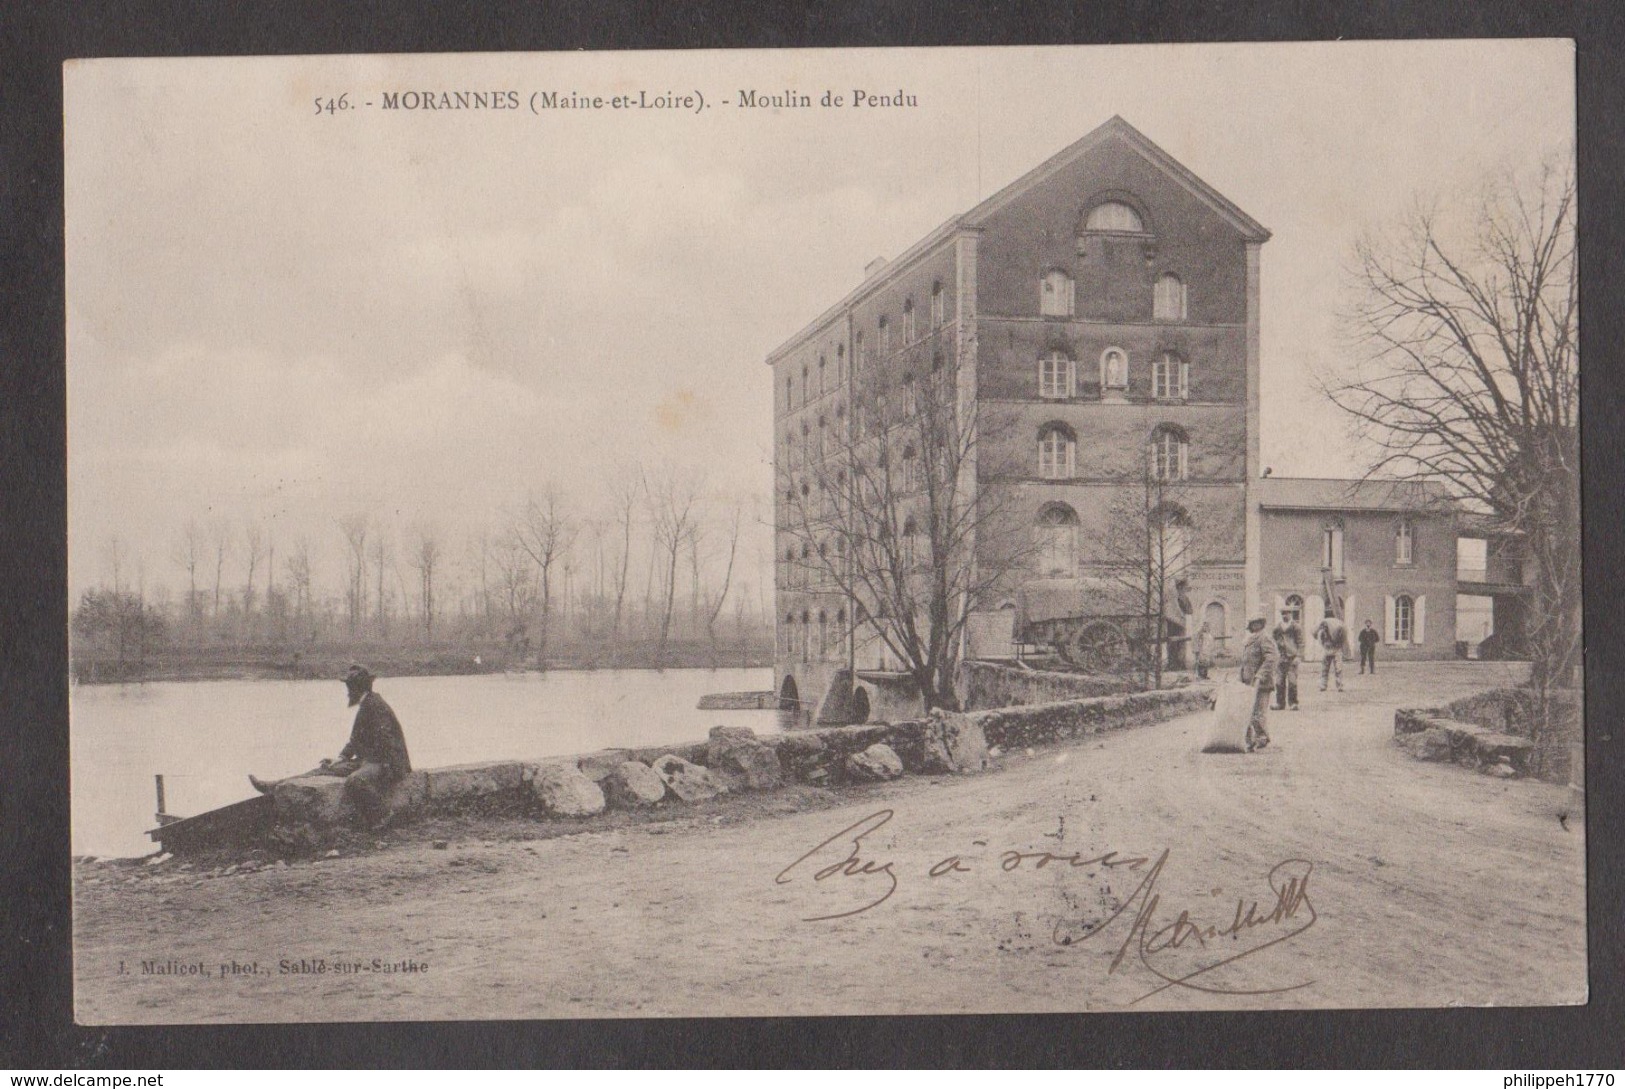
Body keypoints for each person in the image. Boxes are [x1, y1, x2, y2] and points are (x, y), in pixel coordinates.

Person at [250, 664, 412, 830]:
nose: (348, 693)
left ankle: (383, 816)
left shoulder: (376, 706)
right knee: (324, 769)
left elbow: (387, 741)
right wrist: (341, 759)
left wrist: (373, 765)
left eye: (350, 688)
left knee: (356, 780)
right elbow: (356, 740)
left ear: (357, 688)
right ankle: (276, 785)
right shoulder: (368, 704)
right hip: (370, 760)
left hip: (387, 763)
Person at [1237, 615, 1279, 752]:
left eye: (1255, 623)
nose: (1253, 626)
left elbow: (1271, 658)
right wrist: (1241, 677)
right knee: (1248, 711)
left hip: (1261, 683)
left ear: (1261, 624)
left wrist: (1260, 675)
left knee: (1258, 712)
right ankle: (1251, 740)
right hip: (1248, 682)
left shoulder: (1264, 638)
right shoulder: (1250, 639)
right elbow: (1246, 662)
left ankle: (1262, 738)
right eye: (1252, 623)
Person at [1270, 608, 1304, 711]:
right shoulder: (1278, 627)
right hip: (1281, 657)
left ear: (1291, 614)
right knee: (1279, 682)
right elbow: (1273, 638)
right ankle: (1280, 703)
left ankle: (1293, 703)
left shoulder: (1296, 627)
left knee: (1292, 681)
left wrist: (1298, 656)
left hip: (1292, 658)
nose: (1285, 615)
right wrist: (1278, 647)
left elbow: (1301, 643)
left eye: (1287, 613)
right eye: (1283, 614)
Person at [1311, 610, 1350, 692]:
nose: (1324, 627)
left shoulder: (1335, 629)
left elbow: (1340, 638)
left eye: (1325, 626)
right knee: (1325, 668)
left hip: (1335, 649)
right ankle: (1324, 685)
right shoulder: (1322, 632)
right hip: (1328, 649)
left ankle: (1339, 686)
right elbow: (1318, 637)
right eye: (1323, 626)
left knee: (1338, 668)